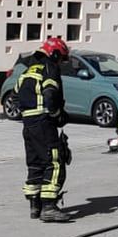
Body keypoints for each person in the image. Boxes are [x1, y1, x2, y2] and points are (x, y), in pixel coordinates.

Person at [18, 36, 73, 223]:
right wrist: (57, 115)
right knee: (54, 161)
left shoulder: (27, 71)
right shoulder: (50, 68)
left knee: (35, 164)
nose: (61, 63)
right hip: (43, 122)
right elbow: (50, 95)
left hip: (28, 124)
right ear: (55, 53)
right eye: (61, 58)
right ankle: (49, 206)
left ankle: (35, 206)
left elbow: (19, 98)